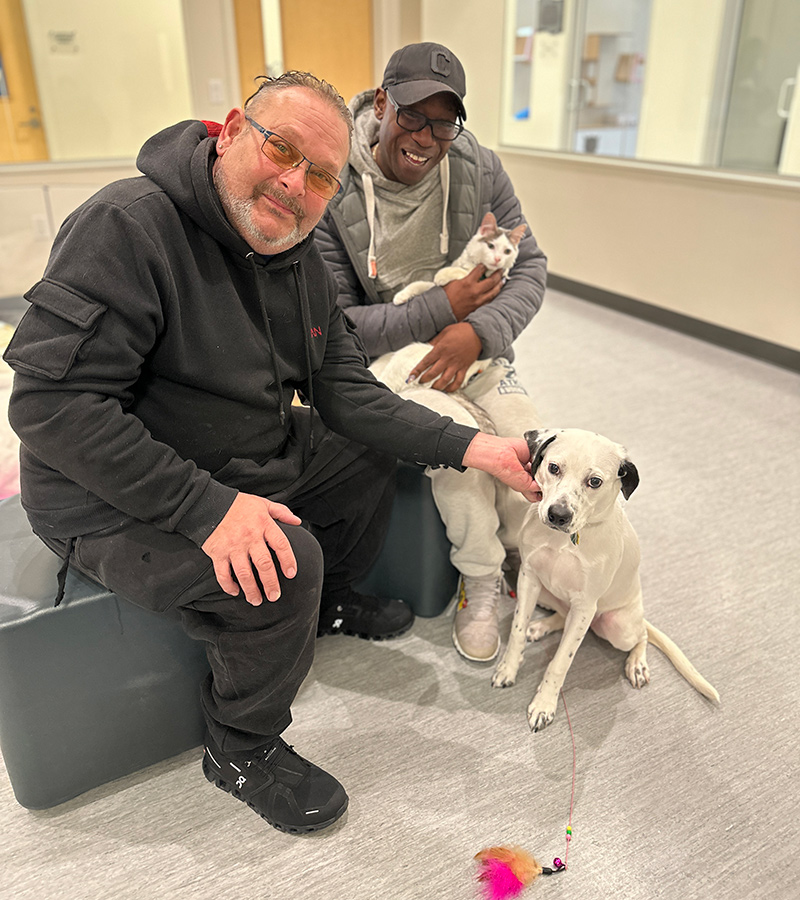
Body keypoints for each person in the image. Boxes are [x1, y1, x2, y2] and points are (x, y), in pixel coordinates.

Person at [3, 71, 539, 835]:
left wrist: (475, 446)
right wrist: (205, 510)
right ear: (230, 131)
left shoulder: (293, 259)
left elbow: (350, 395)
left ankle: (330, 606)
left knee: (361, 455)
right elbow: (51, 407)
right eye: (280, 149)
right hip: (106, 489)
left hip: (234, 449)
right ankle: (240, 745)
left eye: (320, 175)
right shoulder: (126, 226)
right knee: (285, 565)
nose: (294, 184)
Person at [316, 43, 547, 664]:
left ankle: (529, 561)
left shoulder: (476, 166)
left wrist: (478, 332)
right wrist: (443, 310)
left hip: (474, 346)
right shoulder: (329, 184)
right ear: (383, 103)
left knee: (529, 440)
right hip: (388, 360)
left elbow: (531, 270)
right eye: (413, 116)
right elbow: (334, 328)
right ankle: (479, 581)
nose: (426, 136)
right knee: (464, 450)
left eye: (443, 123)